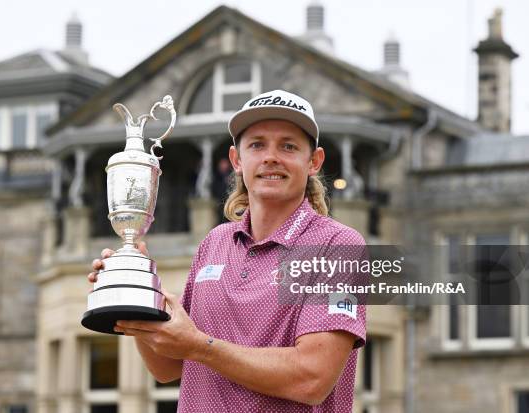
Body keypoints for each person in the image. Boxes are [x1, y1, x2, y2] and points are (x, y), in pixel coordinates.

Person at [88, 89, 367, 412]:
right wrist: (138, 297)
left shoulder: (340, 247)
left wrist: (201, 347)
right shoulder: (214, 243)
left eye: (288, 146)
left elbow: (312, 378)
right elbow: (167, 367)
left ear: (314, 161)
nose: (271, 157)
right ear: (237, 160)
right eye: (257, 144)